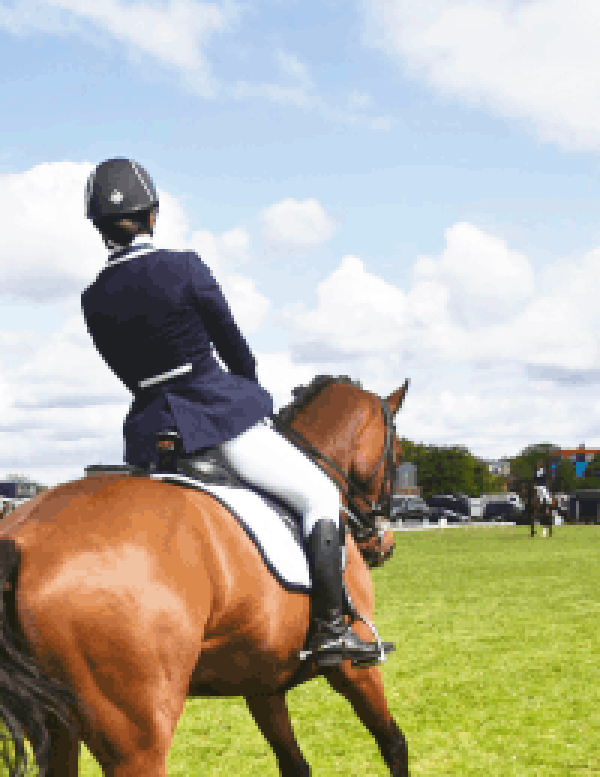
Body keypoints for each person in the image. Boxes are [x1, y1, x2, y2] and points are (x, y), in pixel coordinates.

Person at [79, 158, 380, 667]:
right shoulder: (185, 267)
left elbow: (126, 371)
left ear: (98, 227)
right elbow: (233, 345)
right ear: (153, 213)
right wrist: (248, 395)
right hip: (216, 416)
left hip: (152, 434)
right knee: (319, 494)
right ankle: (331, 629)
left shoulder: (93, 298)